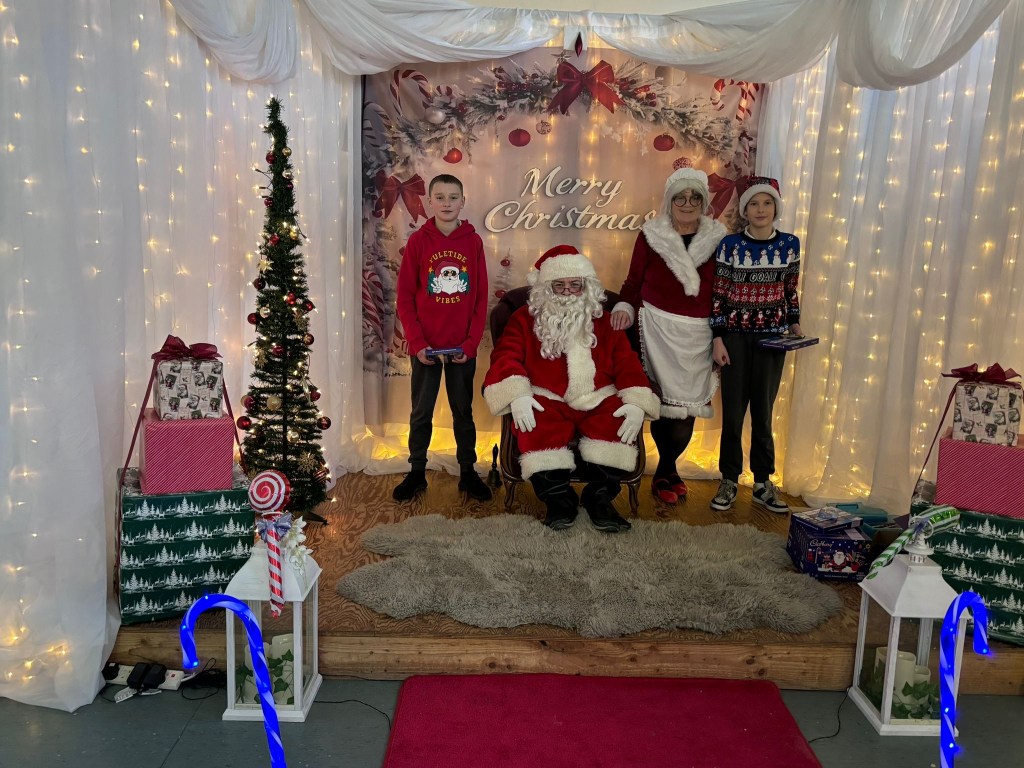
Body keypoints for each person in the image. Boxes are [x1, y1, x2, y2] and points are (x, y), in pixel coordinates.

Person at [483, 245, 660, 532]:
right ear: (546, 288)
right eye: (559, 285)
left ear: (586, 287)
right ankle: (558, 500)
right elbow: (505, 356)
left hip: (598, 397)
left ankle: (599, 498)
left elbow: (626, 362)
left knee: (619, 420)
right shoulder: (524, 319)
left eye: (575, 285)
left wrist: (637, 401)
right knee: (535, 424)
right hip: (547, 396)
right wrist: (517, 395)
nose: (567, 292)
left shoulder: (604, 321)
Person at [610, 167, 728, 504]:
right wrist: (624, 306)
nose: (687, 203)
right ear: (669, 201)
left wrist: (719, 335)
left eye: (695, 198)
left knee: (687, 409)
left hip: (698, 334)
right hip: (656, 329)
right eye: (681, 198)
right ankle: (664, 473)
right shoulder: (651, 235)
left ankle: (668, 467)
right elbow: (633, 280)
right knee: (662, 402)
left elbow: (723, 291)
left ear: (703, 202)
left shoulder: (720, 239)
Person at [393, 173, 492, 502]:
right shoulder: (419, 242)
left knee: (463, 411)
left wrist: (471, 343)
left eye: (453, 197)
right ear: (429, 202)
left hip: (461, 346)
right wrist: (418, 343)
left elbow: (480, 297)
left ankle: (468, 472)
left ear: (462, 202)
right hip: (426, 347)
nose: (446, 203)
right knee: (421, 412)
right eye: (440, 197)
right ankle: (416, 472)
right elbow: (405, 297)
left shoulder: (472, 242)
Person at [709, 176, 801, 513]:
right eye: (753, 204)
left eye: (767, 203)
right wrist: (717, 338)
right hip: (734, 338)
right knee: (733, 414)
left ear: (776, 207)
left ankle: (763, 482)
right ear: (745, 210)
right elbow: (719, 294)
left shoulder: (789, 244)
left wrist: (794, 322)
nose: (760, 210)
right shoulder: (730, 245)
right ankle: (729, 479)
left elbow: (790, 289)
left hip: (772, 339)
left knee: (763, 413)